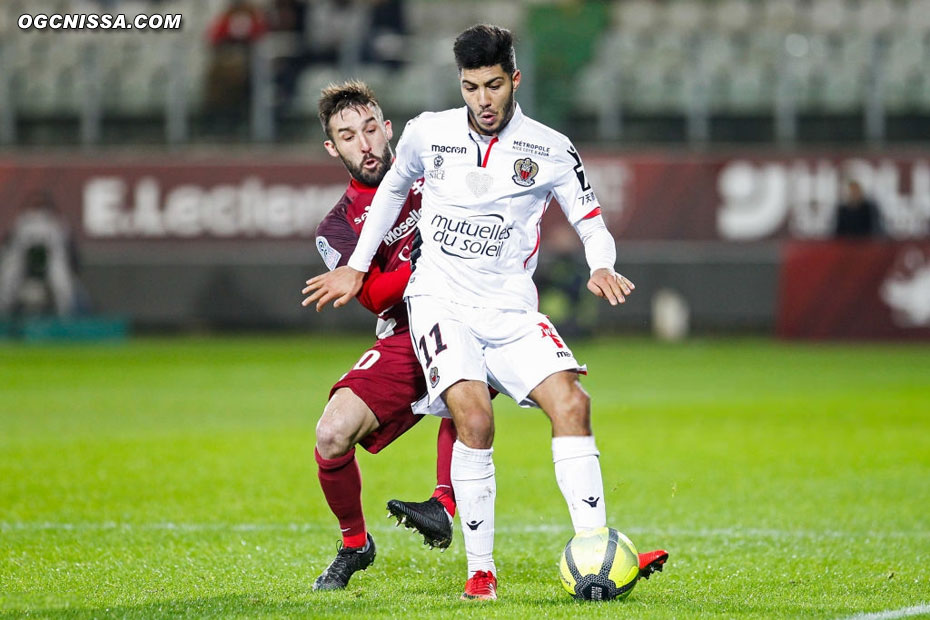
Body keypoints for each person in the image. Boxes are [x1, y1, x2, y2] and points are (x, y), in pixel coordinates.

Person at [302, 25, 668, 600]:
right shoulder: (430, 133)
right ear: (461, 84)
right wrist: (358, 264)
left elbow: (589, 216)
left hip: (509, 307)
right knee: (472, 417)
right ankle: (480, 575)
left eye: (494, 85)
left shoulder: (550, 147)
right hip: (438, 303)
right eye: (472, 87)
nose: (484, 100)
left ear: (514, 79)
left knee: (573, 403)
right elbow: (392, 193)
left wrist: (601, 263)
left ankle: (595, 548)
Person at [306, 80, 462, 591]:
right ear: (333, 148)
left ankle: (445, 505)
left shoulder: (438, 171)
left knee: (468, 385)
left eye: (371, 128)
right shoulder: (337, 227)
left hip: (466, 314)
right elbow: (373, 297)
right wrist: (429, 258)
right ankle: (355, 543)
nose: (365, 143)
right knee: (331, 435)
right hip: (403, 333)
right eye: (348, 136)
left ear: (388, 127)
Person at [0, 192, 82, 318]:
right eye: (36, 205)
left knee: (61, 276)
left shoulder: (57, 222)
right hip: (23, 261)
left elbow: (68, 248)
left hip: (52, 260)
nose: (38, 209)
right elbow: (9, 245)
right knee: (10, 270)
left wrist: (74, 264)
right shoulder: (22, 220)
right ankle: (3, 314)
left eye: (41, 205)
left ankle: (66, 317)